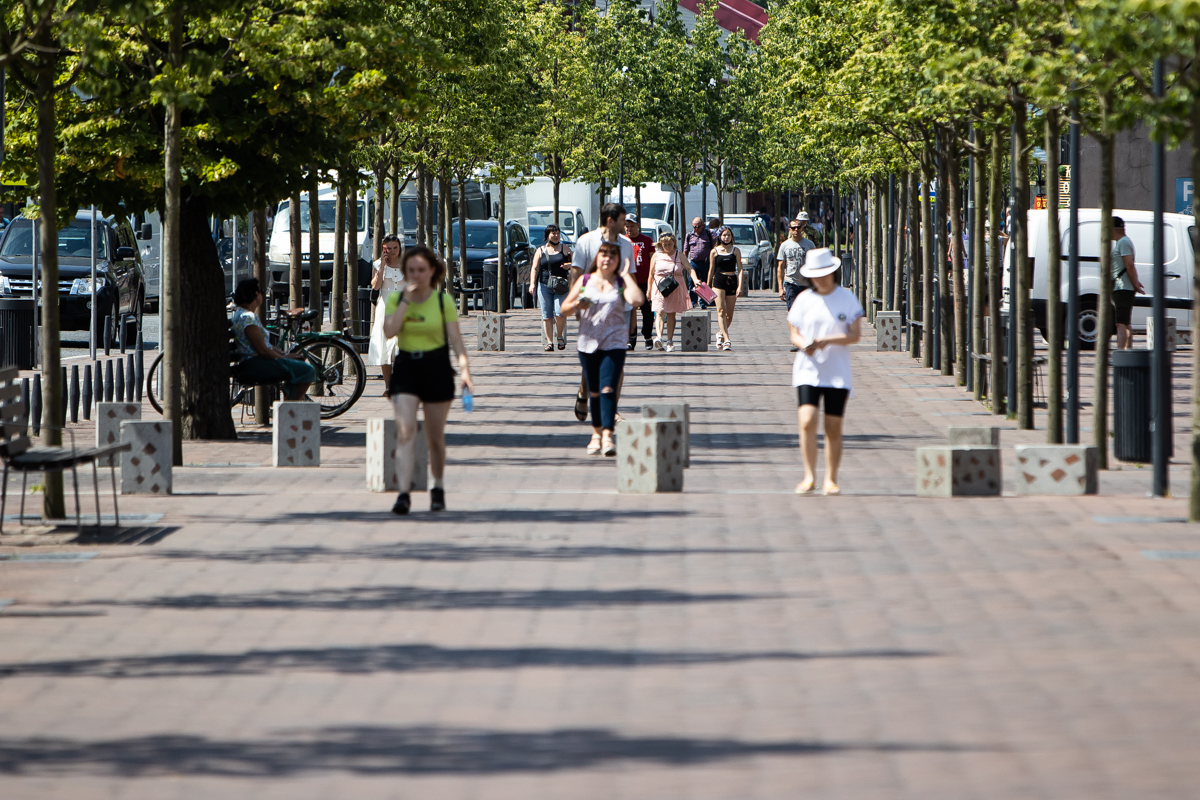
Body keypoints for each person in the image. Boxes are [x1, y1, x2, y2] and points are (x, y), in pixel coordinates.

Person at [381, 246, 474, 515]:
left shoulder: (442, 301)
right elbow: (389, 332)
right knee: (406, 430)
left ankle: (438, 487)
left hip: (437, 367)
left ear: (432, 272)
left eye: (422, 270)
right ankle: (403, 494)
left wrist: (465, 370)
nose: (417, 275)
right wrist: (406, 302)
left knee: (435, 437)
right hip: (407, 365)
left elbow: (456, 341)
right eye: (411, 270)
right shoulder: (397, 299)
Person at [787, 248, 863, 496]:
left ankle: (831, 478)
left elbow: (854, 335)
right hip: (808, 369)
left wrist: (827, 340)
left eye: (826, 274)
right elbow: (794, 332)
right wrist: (804, 345)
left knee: (832, 426)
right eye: (816, 275)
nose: (822, 279)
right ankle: (809, 476)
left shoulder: (847, 298)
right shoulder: (803, 300)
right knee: (807, 420)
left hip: (837, 372)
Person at [561, 240, 645, 456]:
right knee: (596, 392)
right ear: (597, 258)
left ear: (618, 261)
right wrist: (577, 305)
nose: (607, 259)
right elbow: (564, 309)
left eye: (612, 256)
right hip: (588, 343)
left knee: (608, 388)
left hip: (614, 343)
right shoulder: (585, 280)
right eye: (603, 255)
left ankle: (607, 436)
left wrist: (627, 275)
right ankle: (596, 433)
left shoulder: (619, 282)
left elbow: (637, 300)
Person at [570, 203, 635, 421]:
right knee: (593, 357)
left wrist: (633, 310)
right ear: (610, 220)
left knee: (616, 360)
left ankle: (611, 410)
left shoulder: (626, 245)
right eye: (621, 220)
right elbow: (577, 274)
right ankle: (583, 390)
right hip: (591, 308)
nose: (625, 224)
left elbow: (630, 278)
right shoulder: (586, 241)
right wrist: (577, 303)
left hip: (618, 309)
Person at [231, 278, 316, 401]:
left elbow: (266, 346)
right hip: (255, 364)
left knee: (300, 365)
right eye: (261, 291)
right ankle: (290, 409)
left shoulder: (241, 314)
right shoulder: (247, 318)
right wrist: (285, 358)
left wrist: (284, 354)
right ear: (255, 295)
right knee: (308, 370)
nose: (262, 293)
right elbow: (262, 350)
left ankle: (289, 405)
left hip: (255, 362)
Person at [368, 234, 406, 394]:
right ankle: (389, 386)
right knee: (385, 347)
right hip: (385, 308)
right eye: (388, 248)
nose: (392, 251)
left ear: (399, 247)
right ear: (383, 248)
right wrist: (382, 266)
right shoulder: (378, 264)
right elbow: (375, 287)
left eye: (395, 248)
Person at [648, 233, 698, 352]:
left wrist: (696, 280)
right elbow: (650, 274)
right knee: (659, 312)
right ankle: (659, 338)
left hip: (675, 287)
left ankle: (669, 341)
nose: (667, 247)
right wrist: (648, 290)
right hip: (659, 287)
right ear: (661, 244)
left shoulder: (678, 254)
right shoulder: (656, 255)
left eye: (669, 244)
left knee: (671, 314)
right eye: (664, 245)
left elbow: (689, 268)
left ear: (674, 243)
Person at [530, 224, 573, 351]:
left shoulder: (565, 248)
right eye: (553, 233)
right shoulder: (541, 250)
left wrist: (568, 265)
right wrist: (532, 283)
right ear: (547, 235)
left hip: (561, 286)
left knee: (560, 313)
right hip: (544, 286)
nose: (556, 236)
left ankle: (559, 336)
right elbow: (534, 268)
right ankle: (549, 342)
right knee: (547, 315)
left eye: (558, 233)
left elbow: (576, 263)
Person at [778, 215, 816, 352]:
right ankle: (795, 340)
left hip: (806, 284)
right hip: (791, 283)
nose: (796, 230)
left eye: (798, 228)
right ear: (790, 229)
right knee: (793, 312)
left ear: (802, 229)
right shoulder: (785, 245)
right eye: (793, 228)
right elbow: (780, 267)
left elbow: (814, 265)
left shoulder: (809, 245)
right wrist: (780, 287)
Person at [707, 226, 744, 350]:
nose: (726, 237)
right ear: (720, 236)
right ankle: (727, 340)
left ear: (731, 237)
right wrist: (707, 286)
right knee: (721, 310)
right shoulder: (714, 251)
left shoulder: (736, 251)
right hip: (718, 281)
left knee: (729, 314)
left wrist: (740, 286)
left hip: (731, 280)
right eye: (724, 235)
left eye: (728, 235)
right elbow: (711, 269)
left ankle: (720, 334)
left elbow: (740, 269)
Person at [1111, 217, 1144, 349]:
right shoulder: (1122, 242)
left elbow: (1129, 264)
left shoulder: (1123, 243)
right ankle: (1128, 351)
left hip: (1123, 287)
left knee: (1120, 323)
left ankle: (1120, 353)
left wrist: (1135, 283)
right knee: (1125, 322)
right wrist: (1135, 282)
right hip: (1123, 286)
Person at [625, 215, 656, 350]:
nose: (629, 228)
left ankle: (648, 337)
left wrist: (652, 282)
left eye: (632, 225)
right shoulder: (622, 241)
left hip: (644, 282)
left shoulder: (647, 240)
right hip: (628, 283)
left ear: (638, 225)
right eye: (627, 226)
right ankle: (631, 339)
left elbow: (653, 261)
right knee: (630, 311)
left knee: (647, 311)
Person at [683, 217, 716, 309]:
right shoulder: (689, 235)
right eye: (694, 227)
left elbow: (714, 248)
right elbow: (685, 250)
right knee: (692, 282)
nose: (696, 229)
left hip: (705, 263)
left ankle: (703, 302)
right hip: (693, 263)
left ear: (702, 225)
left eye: (698, 226)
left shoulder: (709, 234)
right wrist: (684, 262)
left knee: (704, 283)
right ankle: (693, 302)